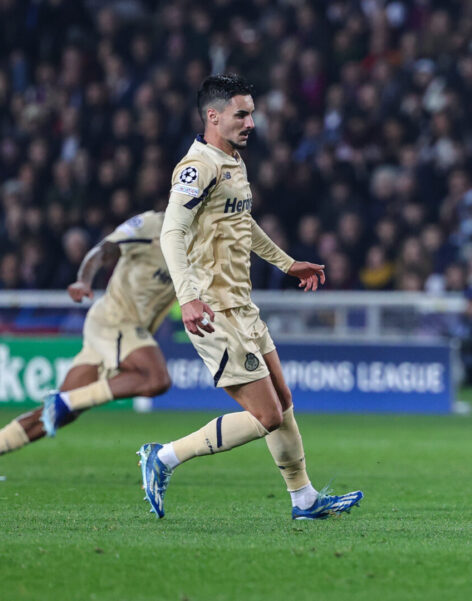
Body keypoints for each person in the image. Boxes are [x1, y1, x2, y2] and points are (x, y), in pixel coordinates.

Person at [138, 74, 362, 520]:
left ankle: (304, 499)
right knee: (267, 415)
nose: (251, 122)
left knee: (283, 399)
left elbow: (243, 223)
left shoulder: (233, 161)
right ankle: (161, 458)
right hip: (212, 310)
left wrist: (286, 262)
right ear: (213, 116)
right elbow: (171, 232)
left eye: (252, 112)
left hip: (242, 305)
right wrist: (188, 298)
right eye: (242, 113)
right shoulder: (196, 167)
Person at [0, 211, 174, 480]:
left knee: (62, 414)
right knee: (156, 378)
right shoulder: (152, 224)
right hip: (115, 321)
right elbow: (102, 250)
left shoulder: (197, 247)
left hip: (125, 334)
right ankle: (63, 400)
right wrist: (84, 279)